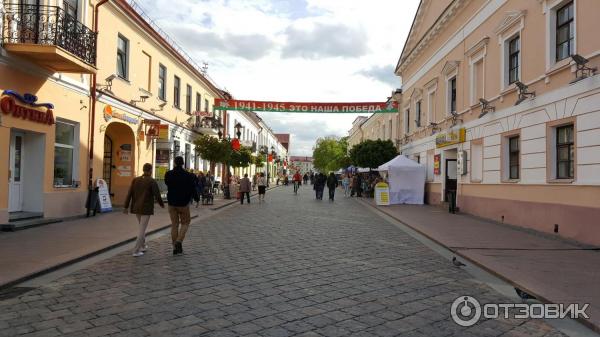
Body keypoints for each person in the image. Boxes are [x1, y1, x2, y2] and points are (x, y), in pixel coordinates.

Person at [124, 163, 165, 257]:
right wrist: (162, 204)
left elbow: (129, 193)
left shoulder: (135, 180)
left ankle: (142, 246)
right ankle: (136, 250)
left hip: (136, 207)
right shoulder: (151, 181)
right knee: (142, 229)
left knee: (141, 227)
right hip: (146, 208)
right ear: (150, 170)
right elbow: (157, 195)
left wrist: (126, 206)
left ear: (143, 170)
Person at [164, 156, 199, 255]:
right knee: (186, 222)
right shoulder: (188, 175)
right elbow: (193, 188)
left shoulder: (168, 174)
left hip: (172, 203)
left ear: (174, 163)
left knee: (174, 224)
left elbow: (167, 183)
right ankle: (179, 241)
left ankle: (175, 247)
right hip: (183, 203)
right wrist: (196, 199)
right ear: (183, 163)